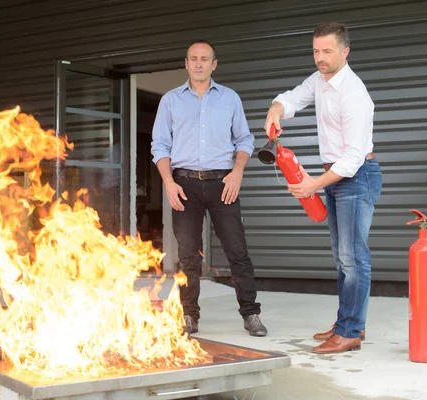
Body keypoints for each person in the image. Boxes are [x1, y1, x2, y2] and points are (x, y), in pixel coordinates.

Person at [264, 22, 382, 354]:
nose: (320, 58)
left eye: (327, 51)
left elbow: (354, 157)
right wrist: (276, 109)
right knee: (342, 257)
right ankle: (347, 321)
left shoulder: (353, 94)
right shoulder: (319, 80)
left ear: (345, 51)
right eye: (316, 51)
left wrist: (314, 184)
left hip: (356, 176)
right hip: (335, 175)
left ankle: (351, 330)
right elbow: (291, 99)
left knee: (353, 257)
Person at [151, 40, 267, 337]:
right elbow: (160, 145)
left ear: (214, 64)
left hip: (222, 183)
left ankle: (251, 314)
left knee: (237, 251)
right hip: (184, 185)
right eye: (193, 59)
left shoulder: (229, 98)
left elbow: (244, 140)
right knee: (188, 256)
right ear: (186, 64)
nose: (199, 63)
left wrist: (237, 172)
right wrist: (168, 182)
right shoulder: (170, 101)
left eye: (205, 59)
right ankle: (189, 315)